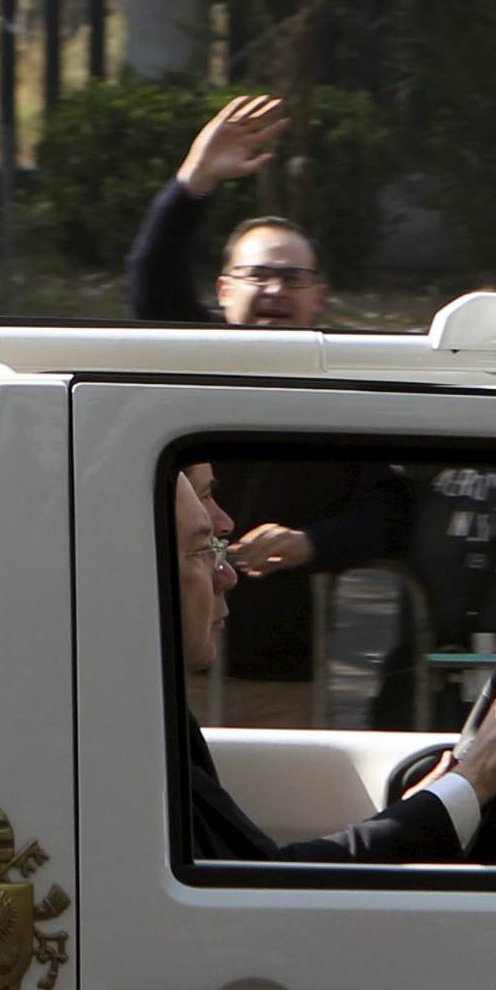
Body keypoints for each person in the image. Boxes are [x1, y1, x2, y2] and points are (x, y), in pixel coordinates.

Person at [129, 96, 409, 726]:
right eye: (257, 275)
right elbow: (151, 281)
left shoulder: (343, 401)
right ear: (224, 289)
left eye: (292, 279)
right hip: (168, 666)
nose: (275, 291)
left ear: (319, 298)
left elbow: (390, 513)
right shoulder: (191, 360)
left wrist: (312, 544)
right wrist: (194, 181)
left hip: (279, 682)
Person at [175, 466, 496, 863]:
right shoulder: (140, 742)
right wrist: (473, 779)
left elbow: (255, 879)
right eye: (202, 547)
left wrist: (439, 797)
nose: (227, 573)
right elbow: (263, 893)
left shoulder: (160, 718)